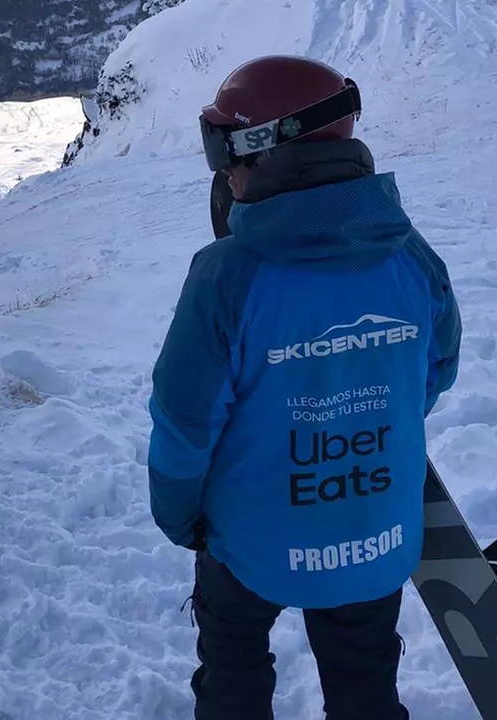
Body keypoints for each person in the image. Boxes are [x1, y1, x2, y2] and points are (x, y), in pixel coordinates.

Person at [146, 55, 462, 720]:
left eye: (220, 149)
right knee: (365, 680)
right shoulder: (411, 257)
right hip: (374, 536)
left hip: (249, 545)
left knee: (233, 665)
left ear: (254, 152)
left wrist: (179, 515)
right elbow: (433, 374)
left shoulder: (226, 277)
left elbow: (185, 422)